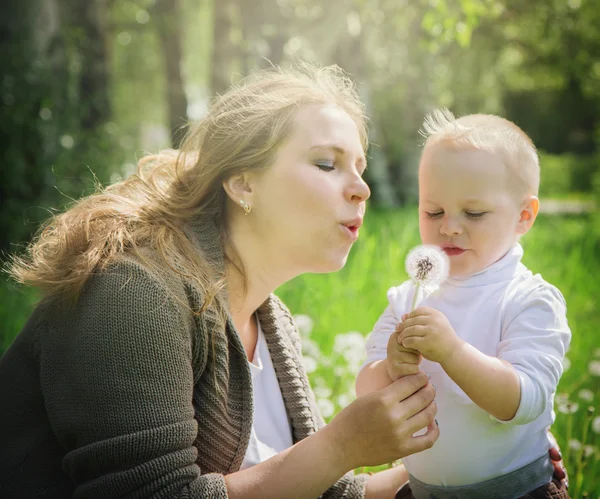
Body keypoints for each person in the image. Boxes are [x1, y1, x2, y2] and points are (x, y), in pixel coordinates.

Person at [0, 64, 440, 499]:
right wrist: (341, 445)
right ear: (243, 184)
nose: (361, 189)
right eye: (327, 163)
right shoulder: (133, 294)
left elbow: (313, 488)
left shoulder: (270, 321)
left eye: (360, 169)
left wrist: (472, 467)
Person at [356, 109, 571, 498]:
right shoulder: (409, 297)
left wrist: (452, 352)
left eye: (473, 213)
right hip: (420, 489)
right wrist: (390, 366)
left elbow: (523, 402)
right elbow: (366, 390)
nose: (449, 226)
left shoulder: (529, 300)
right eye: (433, 211)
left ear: (524, 216)